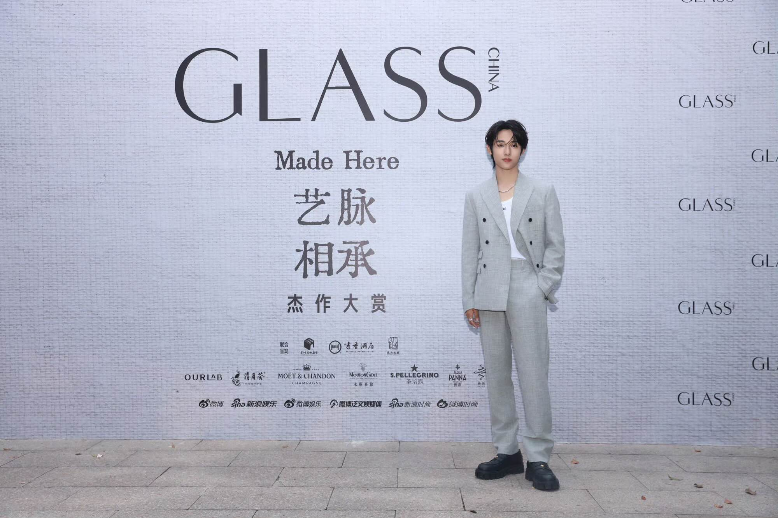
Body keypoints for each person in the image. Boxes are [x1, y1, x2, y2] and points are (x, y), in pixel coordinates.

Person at [461, 119, 565, 491]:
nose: (507, 150)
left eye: (514, 144)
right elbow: (469, 250)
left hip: (526, 284)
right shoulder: (477, 195)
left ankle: (538, 456)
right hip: (489, 288)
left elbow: (555, 246)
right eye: (500, 143)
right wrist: (469, 298)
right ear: (489, 148)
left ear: (522, 149)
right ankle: (507, 452)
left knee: (533, 373)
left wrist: (542, 286)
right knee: (497, 374)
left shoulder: (542, 191)